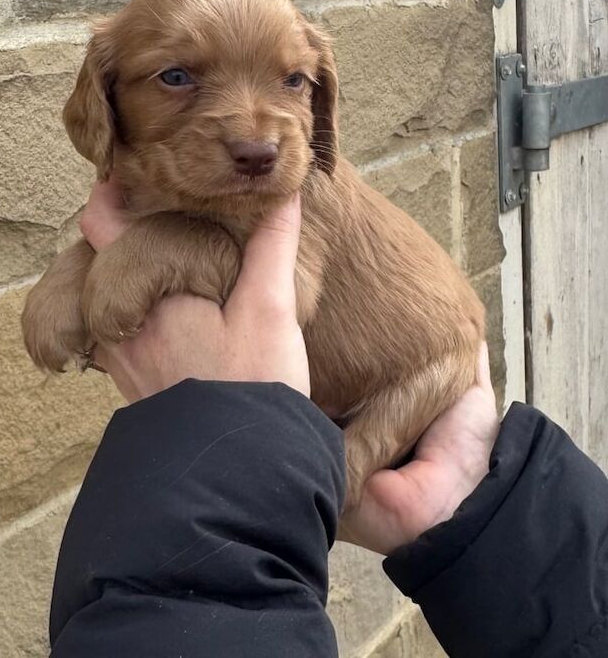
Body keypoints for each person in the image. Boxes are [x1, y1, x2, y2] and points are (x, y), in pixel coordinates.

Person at [49, 184, 608, 658]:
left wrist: (224, 438)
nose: (255, 132)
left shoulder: (296, 189)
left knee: (336, 478)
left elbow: (287, 286)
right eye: (177, 79)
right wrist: (471, 509)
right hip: (494, 514)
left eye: (293, 82)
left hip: (416, 378)